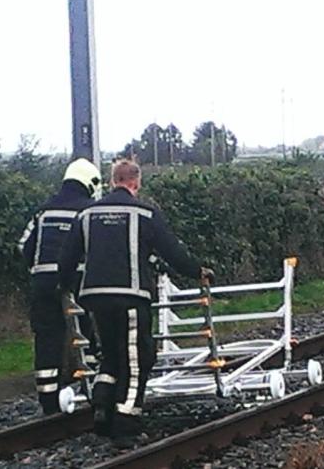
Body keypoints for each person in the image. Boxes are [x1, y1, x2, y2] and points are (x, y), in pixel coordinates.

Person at [58, 159, 213, 445]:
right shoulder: (145, 213)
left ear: (112, 180)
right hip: (131, 297)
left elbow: (67, 257)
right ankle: (126, 424)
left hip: (94, 297)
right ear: (135, 183)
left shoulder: (87, 213)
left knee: (110, 353)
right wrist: (197, 271)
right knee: (136, 358)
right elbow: (172, 250)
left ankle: (102, 405)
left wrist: (67, 285)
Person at [18, 158, 101, 414]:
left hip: (43, 283)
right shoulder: (88, 210)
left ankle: (48, 399)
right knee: (87, 331)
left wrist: (37, 271)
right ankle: (94, 388)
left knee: (47, 338)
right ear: (91, 182)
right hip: (77, 282)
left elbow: (24, 246)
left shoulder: (43, 211)